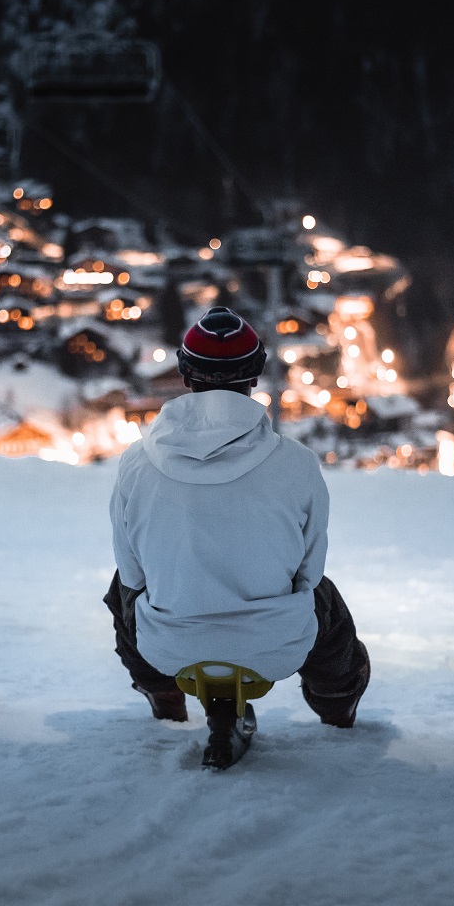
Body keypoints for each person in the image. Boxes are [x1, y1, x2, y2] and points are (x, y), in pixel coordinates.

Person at [105, 306, 369, 727]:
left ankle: (163, 695)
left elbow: (133, 573)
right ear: (255, 375)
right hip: (278, 643)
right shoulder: (298, 464)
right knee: (327, 604)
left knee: (120, 590)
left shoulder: (136, 463)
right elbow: (310, 571)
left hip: (168, 646)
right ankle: (337, 703)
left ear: (186, 375)